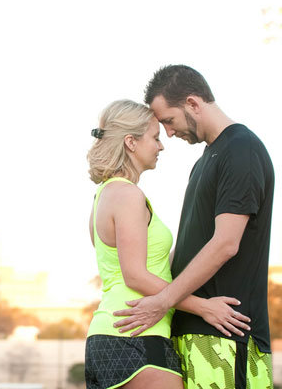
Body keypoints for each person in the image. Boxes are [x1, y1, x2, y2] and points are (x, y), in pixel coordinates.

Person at [112, 65, 275, 389]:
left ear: (192, 103)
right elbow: (188, 245)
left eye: (169, 121)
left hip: (228, 338)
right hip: (192, 332)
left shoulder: (241, 150)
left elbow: (226, 243)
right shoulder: (204, 162)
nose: (168, 134)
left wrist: (163, 300)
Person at [84, 99, 250, 389]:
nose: (161, 146)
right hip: (134, 338)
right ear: (131, 142)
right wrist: (204, 307)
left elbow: (152, 265)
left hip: (112, 336)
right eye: (155, 138)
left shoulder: (105, 195)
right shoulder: (127, 196)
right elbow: (134, 275)